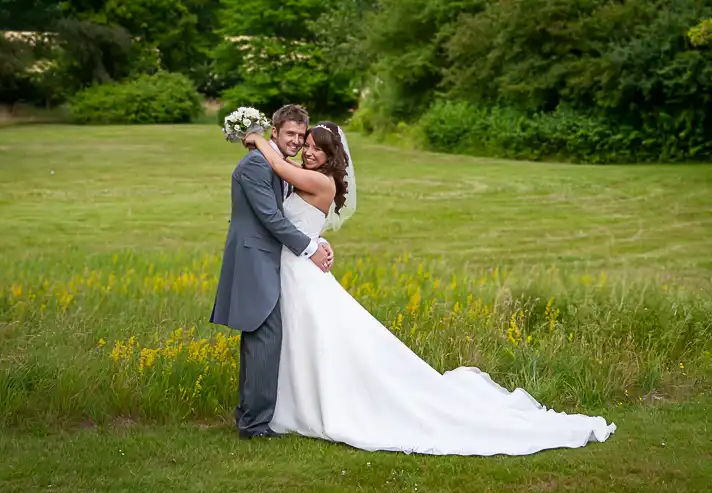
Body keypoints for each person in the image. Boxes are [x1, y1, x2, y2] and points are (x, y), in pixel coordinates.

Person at [242, 123, 617, 456]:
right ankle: (287, 407)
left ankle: (319, 407)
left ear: (331, 156)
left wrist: (259, 138)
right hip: (293, 269)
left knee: (319, 341)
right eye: (306, 143)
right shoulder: (308, 175)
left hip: (301, 273)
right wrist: (318, 242)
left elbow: (278, 167)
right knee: (297, 341)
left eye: (317, 148)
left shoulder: (320, 180)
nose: (308, 150)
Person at [211, 104, 334, 440]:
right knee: (264, 337)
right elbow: (271, 218)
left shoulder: (277, 165)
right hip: (256, 259)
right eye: (289, 134)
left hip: (273, 260)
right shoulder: (255, 164)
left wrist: (316, 238)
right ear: (274, 132)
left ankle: (253, 418)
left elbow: (294, 214)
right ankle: (254, 424)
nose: (296, 141)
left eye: (300, 134)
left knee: (264, 338)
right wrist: (310, 250)